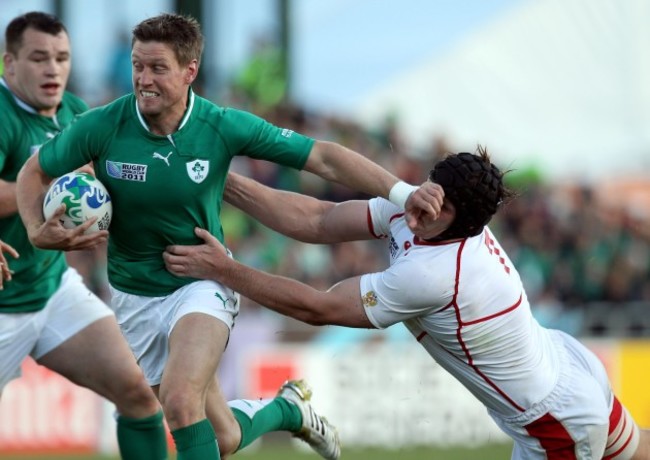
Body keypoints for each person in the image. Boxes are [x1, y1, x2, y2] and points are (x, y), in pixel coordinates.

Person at [15, 12, 441, 460]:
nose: (143, 79)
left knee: (180, 404)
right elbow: (34, 171)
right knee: (222, 438)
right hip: (133, 296)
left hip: (202, 281)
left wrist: (403, 191)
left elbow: (324, 158)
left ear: (189, 71)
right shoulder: (104, 125)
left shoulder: (220, 125)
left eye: (157, 68)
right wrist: (34, 229)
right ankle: (287, 410)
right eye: (138, 66)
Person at [162, 147, 650, 460]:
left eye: (441, 209)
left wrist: (222, 268)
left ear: (465, 223)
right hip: (567, 364)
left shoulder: (434, 274)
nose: (424, 210)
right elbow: (319, 219)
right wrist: (217, 179)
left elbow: (319, 306)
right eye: (429, 191)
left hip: (550, 419)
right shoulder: (420, 205)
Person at [0, 11, 167, 460]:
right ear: (8, 64)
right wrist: (52, 189)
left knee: (140, 393)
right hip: (2, 306)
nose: (52, 68)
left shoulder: (77, 113)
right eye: (38, 58)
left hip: (53, 291)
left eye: (61, 57)